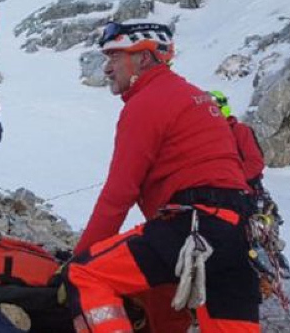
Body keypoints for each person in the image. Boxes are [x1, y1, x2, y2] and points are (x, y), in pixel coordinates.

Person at [66, 21, 260, 332]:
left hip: (191, 226)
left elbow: (118, 195)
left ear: (143, 58)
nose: (106, 68)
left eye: (115, 57)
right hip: (236, 233)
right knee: (160, 296)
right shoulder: (197, 98)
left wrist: (78, 257)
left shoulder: (148, 102)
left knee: (86, 274)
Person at [208, 90, 265, 189]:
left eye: (214, 109)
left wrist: (229, 180)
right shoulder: (204, 136)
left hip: (240, 192)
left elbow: (255, 163)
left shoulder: (239, 130)